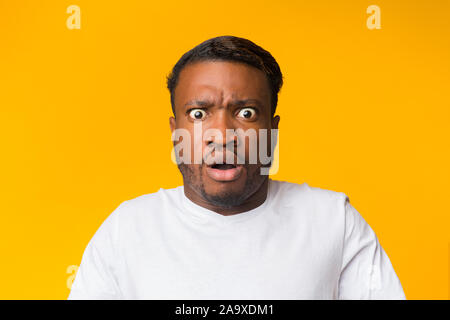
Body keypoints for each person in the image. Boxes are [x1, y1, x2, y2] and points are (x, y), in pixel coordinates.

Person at [68, 36, 406, 299]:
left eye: (246, 113)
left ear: (271, 132)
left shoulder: (335, 221)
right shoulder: (126, 231)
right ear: (175, 133)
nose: (222, 135)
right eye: (199, 114)